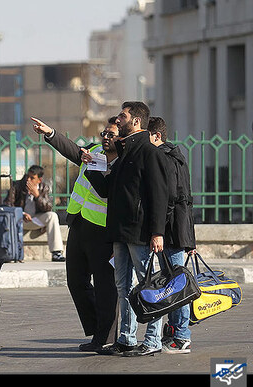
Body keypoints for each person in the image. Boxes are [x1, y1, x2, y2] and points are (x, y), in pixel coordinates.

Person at [84, 101, 169, 356]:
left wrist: (157, 232)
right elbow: (112, 192)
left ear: (136, 122)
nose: (118, 120)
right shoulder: (125, 154)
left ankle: (152, 341)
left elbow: (158, 195)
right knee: (124, 286)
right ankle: (127, 338)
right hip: (120, 233)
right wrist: (92, 166)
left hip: (141, 232)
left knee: (148, 287)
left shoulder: (149, 153)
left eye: (123, 116)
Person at [32, 116, 119, 352]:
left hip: (103, 232)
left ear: (121, 138)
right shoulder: (94, 150)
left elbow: (108, 192)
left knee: (105, 287)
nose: (106, 138)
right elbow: (72, 150)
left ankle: (107, 337)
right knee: (76, 282)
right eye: (105, 133)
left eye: (111, 134)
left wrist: (94, 167)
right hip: (79, 222)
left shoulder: (122, 162)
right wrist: (50, 133)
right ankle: (96, 331)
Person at [147, 116, 196, 354]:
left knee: (178, 286)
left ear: (157, 136)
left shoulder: (165, 158)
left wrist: (159, 230)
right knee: (174, 281)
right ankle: (177, 332)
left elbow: (172, 198)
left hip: (171, 232)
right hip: (178, 230)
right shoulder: (176, 156)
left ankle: (182, 336)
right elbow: (187, 199)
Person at [3, 165, 65, 262]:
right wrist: (21, 214)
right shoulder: (17, 186)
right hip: (19, 220)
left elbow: (48, 208)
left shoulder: (44, 188)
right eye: (28, 176)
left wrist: (37, 196)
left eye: (32, 178)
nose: (28, 180)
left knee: (52, 216)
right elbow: (8, 205)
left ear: (39, 180)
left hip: (35, 220)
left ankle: (56, 252)